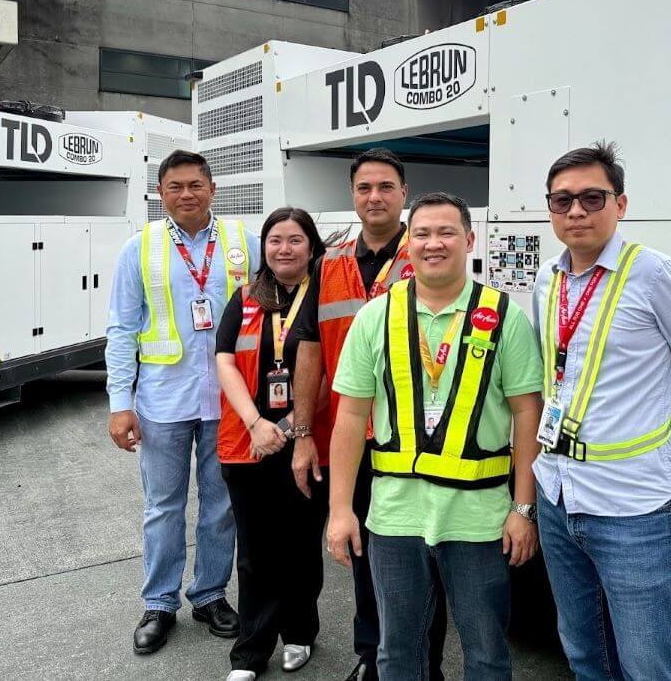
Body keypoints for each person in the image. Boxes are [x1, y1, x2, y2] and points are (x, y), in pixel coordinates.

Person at [531, 142, 671, 681]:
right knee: (583, 653)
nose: (576, 211)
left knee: (649, 664)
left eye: (591, 197)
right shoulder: (547, 279)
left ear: (619, 205)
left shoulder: (655, 275)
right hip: (558, 494)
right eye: (562, 201)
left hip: (634, 509)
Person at [326, 193, 544, 681]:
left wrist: (523, 509)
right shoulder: (374, 317)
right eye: (421, 233)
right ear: (408, 244)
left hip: (480, 520)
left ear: (469, 240)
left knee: (487, 655)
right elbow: (349, 417)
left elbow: (528, 414)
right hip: (394, 517)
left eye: (446, 232)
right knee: (398, 655)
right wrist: (341, 510)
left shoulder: (504, 315)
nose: (433, 243)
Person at [289, 148, 448, 681]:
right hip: (349, 437)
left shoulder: (426, 253)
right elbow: (309, 346)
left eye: (385, 187)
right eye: (364, 188)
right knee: (362, 549)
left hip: (418, 440)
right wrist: (304, 432)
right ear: (352, 196)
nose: (374, 197)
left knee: (422, 557)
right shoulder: (329, 262)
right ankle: (372, 654)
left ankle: (424, 661)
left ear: (404, 193)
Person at [105, 149, 259, 655]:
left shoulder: (243, 243)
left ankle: (210, 594)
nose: (186, 194)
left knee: (220, 507)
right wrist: (118, 403)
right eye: (175, 187)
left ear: (212, 189)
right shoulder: (139, 248)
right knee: (163, 507)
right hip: (162, 400)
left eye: (195, 185)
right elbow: (122, 329)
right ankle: (160, 603)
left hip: (231, 403)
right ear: (161, 194)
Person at [216, 207, 330, 680]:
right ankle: (250, 652)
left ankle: (300, 633)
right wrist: (256, 422)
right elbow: (223, 359)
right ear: (264, 248)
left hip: (306, 443)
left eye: (295, 240)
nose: (284, 249)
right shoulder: (244, 298)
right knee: (256, 552)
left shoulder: (324, 298)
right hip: (249, 445)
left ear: (312, 246)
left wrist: (286, 428)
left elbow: (335, 370)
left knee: (301, 546)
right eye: (275, 240)